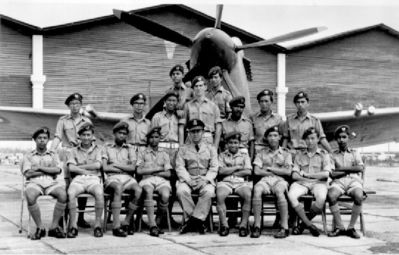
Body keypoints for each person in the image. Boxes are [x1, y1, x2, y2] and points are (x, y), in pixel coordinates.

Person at [50, 92, 92, 228]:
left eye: (77, 104)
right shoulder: (63, 120)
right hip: (69, 154)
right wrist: (51, 150)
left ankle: (80, 217)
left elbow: (92, 138)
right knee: (68, 187)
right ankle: (65, 217)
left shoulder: (87, 121)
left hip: (83, 154)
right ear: (69, 106)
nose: (75, 106)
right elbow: (58, 136)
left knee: (83, 184)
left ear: (81, 105)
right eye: (72, 104)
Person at [21, 127, 66, 240]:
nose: (42, 140)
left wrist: (40, 168)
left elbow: (58, 170)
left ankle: (54, 227)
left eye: (45, 138)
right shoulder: (28, 155)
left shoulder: (53, 154)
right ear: (35, 140)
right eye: (39, 138)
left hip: (51, 182)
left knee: (63, 194)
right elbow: (28, 173)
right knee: (30, 195)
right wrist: (48, 169)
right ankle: (40, 227)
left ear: (48, 140)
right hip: (35, 183)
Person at [176, 119, 218, 234]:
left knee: (209, 192)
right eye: (192, 131)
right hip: (189, 178)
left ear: (203, 132)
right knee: (181, 191)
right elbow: (180, 167)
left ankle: (191, 222)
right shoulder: (183, 149)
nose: (195, 134)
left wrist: (205, 180)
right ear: (188, 133)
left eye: (198, 131)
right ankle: (198, 221)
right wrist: (188, 180)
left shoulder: (211, 148)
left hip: (205, 179)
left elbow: (214, 167)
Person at [288, 127, 332, 237]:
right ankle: (309, 224)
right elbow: (294, 175)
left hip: (319, 183)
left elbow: (326, 174)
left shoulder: (324, 154)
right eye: (307, 139)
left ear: (318, 139)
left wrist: (308, 175)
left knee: (321, 198)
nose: (310, 141)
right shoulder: (300, 154)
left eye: (313, 138)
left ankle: (302, 225)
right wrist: (305, 179)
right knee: (291, 195)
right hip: (302, 183)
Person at [102, 122, 142, 237]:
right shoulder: (107, 147)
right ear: (114, 134)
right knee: (118, 188)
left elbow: (132, 168)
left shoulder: (130, 149)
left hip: (128, 178)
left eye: (124, 134)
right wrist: (124, 167)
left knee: (138, 190)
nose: (122, 136)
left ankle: (127, 221)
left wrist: (116, 165)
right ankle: (116, 226)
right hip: (112, 178)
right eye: (120, 133)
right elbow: (105, 168)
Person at [251, 126, 292, 239]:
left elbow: (288, 172)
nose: (273, 138)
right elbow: (257, 171)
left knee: (279, 191)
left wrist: (270, 169)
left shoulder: (286, 153)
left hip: (280, 181)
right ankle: (257, 226)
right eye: (270, 136)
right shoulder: (261, 153)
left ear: (279, 137)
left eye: (275, 135)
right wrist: (277, 172)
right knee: (257, 189)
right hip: (265, 180)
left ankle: (284, 227)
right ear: (266, 138)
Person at [66, 123, 104, 238]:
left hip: (93, 179)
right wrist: (85, 171)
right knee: (70, 193)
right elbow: (71, 168)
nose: (86, 137)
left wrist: (80, 167)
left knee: (99, 193)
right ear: (79, 136)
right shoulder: (73, 151)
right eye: (83, 135)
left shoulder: (98, 149)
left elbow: (98, 165)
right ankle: (73, 226)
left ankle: (97, 225)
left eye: (88, 135)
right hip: (78, 179)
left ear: (92, 136)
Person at [327, 125, 365, 239]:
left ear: (348, 138)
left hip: (353, 182)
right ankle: (339, 227)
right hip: (338, 182)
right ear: (336, 139)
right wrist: (349, 169)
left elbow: (360, 168)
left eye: (344, 137)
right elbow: (332, 174)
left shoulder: (354, 152)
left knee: (359, 196)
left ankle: (351, 228)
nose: (341, 140)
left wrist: (341, 169)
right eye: (339, 137)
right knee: (331, 196)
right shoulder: (332, 155)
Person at [151, 91, 180, 227]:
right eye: (169, 100)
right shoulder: (157, 116)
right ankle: (159, 216)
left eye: (174, 101)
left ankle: (168, 215)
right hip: (161, 149)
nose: (171, 103)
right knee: (161, 180)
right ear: (164, 102)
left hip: (175, 150)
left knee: (173, 183)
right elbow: (153, 136)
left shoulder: (179, 117)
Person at [136, 127, 173, 237]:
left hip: (161, 181)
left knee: (165, 195)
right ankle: (152, 225)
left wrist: (153, 172)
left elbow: (168, 174)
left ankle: (158, 221)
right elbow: (139, 171)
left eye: (156, 137)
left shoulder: (164, 154)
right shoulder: (143, 152)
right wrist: (157, 169)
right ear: (148, 139)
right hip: (146, 180)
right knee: (148, 191)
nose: (154, 140)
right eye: (151, 137)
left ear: (160, 139)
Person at [216, 132, 252, 237]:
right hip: (226, 182)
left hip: (240, 182)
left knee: (248, 195)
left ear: (239, 143)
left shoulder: (244, 155)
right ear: (227, 144)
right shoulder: (222, 155)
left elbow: (248, 171)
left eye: (235, 142)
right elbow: (221, 171)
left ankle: (243, 225)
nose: (233, 145)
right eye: (230, 143)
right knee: (220, 195)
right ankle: (224, 225)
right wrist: (237, 167)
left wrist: (230, 171)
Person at [179, 76, 222, 148]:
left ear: (205, 87)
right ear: (193, 89)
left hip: (207, 139)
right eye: (196, 86)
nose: (198, 88)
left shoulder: (213, 106)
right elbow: (181, 126)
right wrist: (181, 146)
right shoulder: (187, 106)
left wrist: (215, 146)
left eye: (201, 85)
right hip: (191, 139)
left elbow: (218, 128)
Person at [250, 89, 283, 154]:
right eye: (261, 101)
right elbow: (251, 139)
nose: (264, 104)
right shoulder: (253, 117)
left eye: (266, 101)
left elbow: (281, 137)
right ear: (259, 103)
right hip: (258, 151)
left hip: (273, 151)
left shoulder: (278, 118)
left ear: (271, 102)